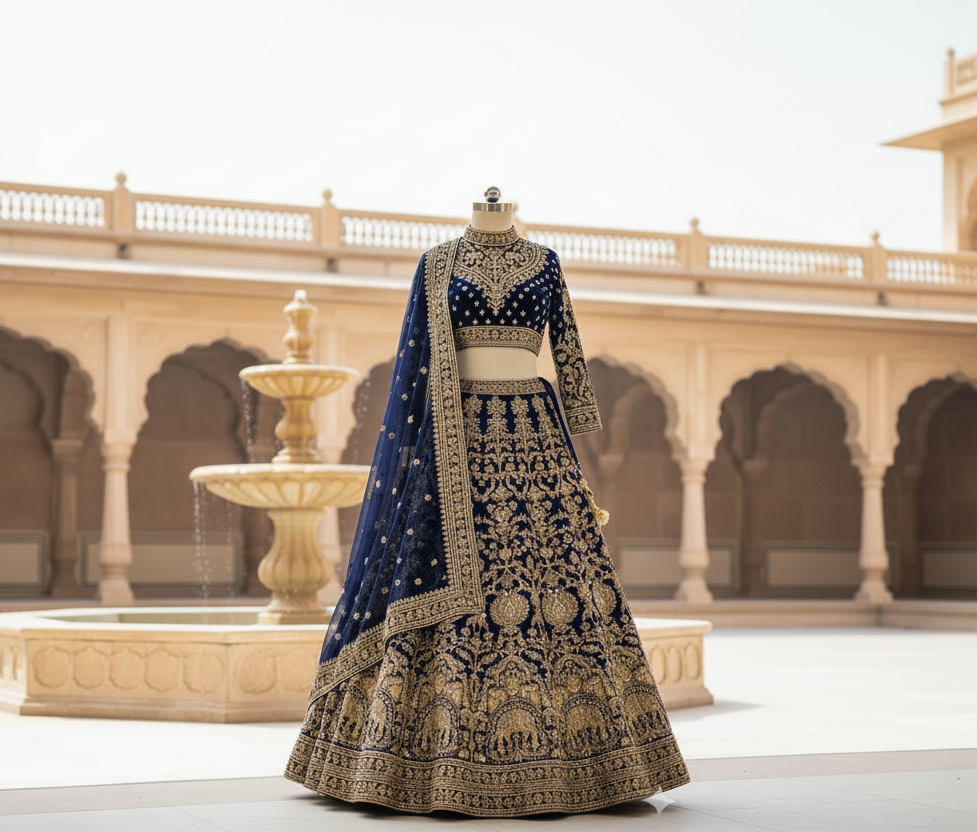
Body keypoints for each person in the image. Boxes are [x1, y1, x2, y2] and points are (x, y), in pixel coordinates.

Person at [285, 189, 689, 816]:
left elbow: (567, 347)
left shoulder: (546, 261)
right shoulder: (437, 262)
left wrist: (579, 409)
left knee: (555, 572)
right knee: (445, 567)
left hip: (535, 431)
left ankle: (584, 756)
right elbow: (413, 364)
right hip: (454, 437)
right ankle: (422, 754)